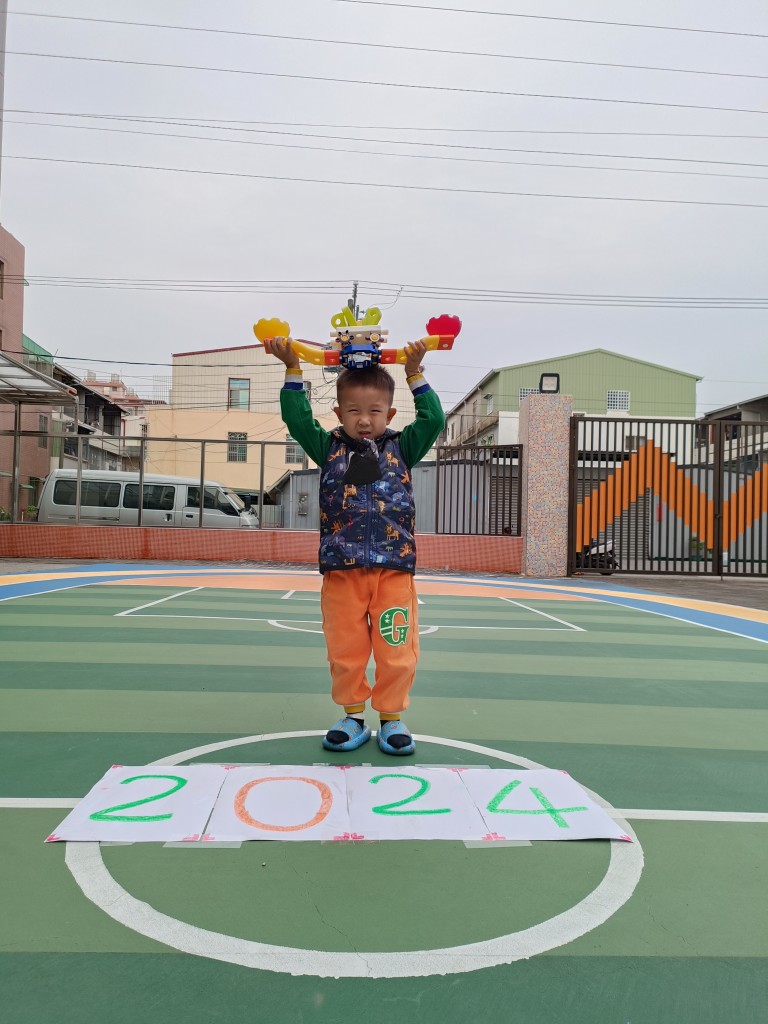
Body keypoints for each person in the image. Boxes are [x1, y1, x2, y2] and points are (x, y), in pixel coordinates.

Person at [264, 337, 445, 756]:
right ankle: (352, 717)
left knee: (396, 650)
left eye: (374, 411)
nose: (364, 420)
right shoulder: (329, 449)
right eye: (354, 411)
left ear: (390, 414)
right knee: (345, 650)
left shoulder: (403, 447)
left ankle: (392, 719)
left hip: (393, 570)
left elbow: (434, 419)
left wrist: (414, 374)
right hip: (342, 571)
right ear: (338, 413)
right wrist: (293, 369)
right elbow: (297, 419)